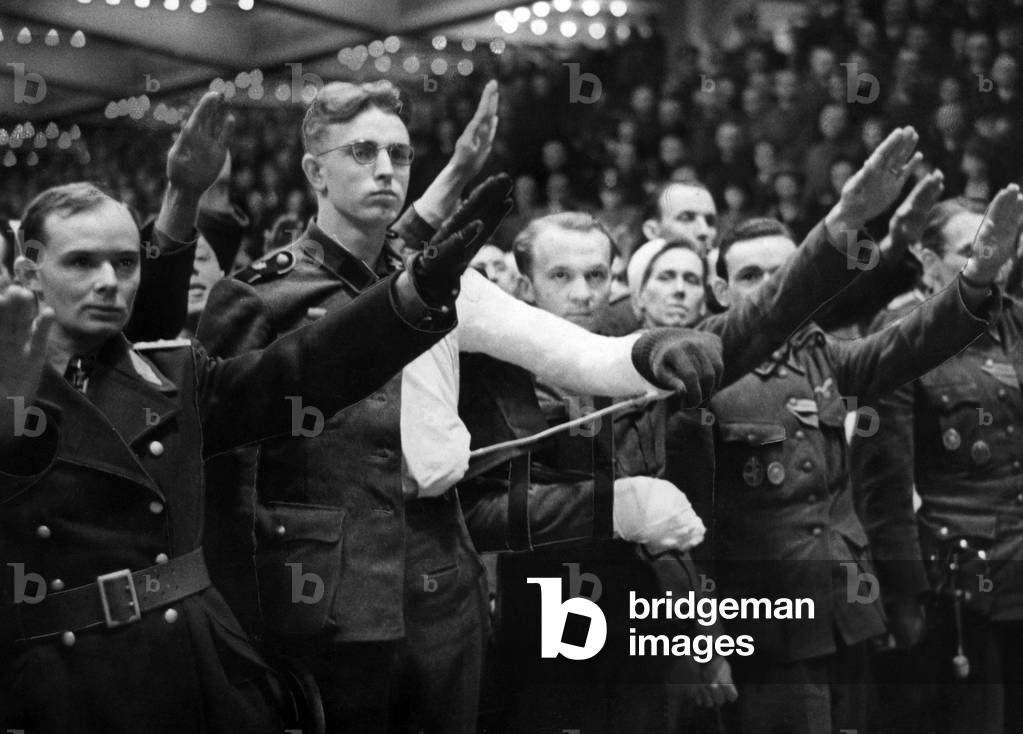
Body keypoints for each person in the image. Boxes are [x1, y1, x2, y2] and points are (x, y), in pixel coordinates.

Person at [196, 79, 725, 734]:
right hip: (318, 591)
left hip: (442, 572)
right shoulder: (259, 295)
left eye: (398, 152)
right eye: (361, 151)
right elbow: (220, 474)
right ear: (314, 171)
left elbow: (567, 350)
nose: (385, 168)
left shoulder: (439, 275)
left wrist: (646, 351)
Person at [0, 175, 488, 733]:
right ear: (26, 272)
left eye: (126, 263)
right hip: (58, 681)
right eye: (81, 263)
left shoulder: (172, 373)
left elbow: (303, 369)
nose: (110, 282)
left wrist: (407, 295)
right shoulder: (11, 388)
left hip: (191, 666)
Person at [697, 181, 1019, 734]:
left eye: (786, 273)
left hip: (846, 617)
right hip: (764, 631)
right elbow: (688, 538)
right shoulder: (700, 374)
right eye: (753, 277)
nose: (775, 290)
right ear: (721, 291)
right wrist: (699, 648)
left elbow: (907, 345)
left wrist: (975, 282)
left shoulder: (821, 357)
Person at [851, 196, 1023, 734]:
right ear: (927, 260)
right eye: (975, 252)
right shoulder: (903, 335)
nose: (994, 264)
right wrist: (903, 597)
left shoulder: (1017, 324)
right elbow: (884, 486)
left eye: (1003, 251)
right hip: (956, 586)